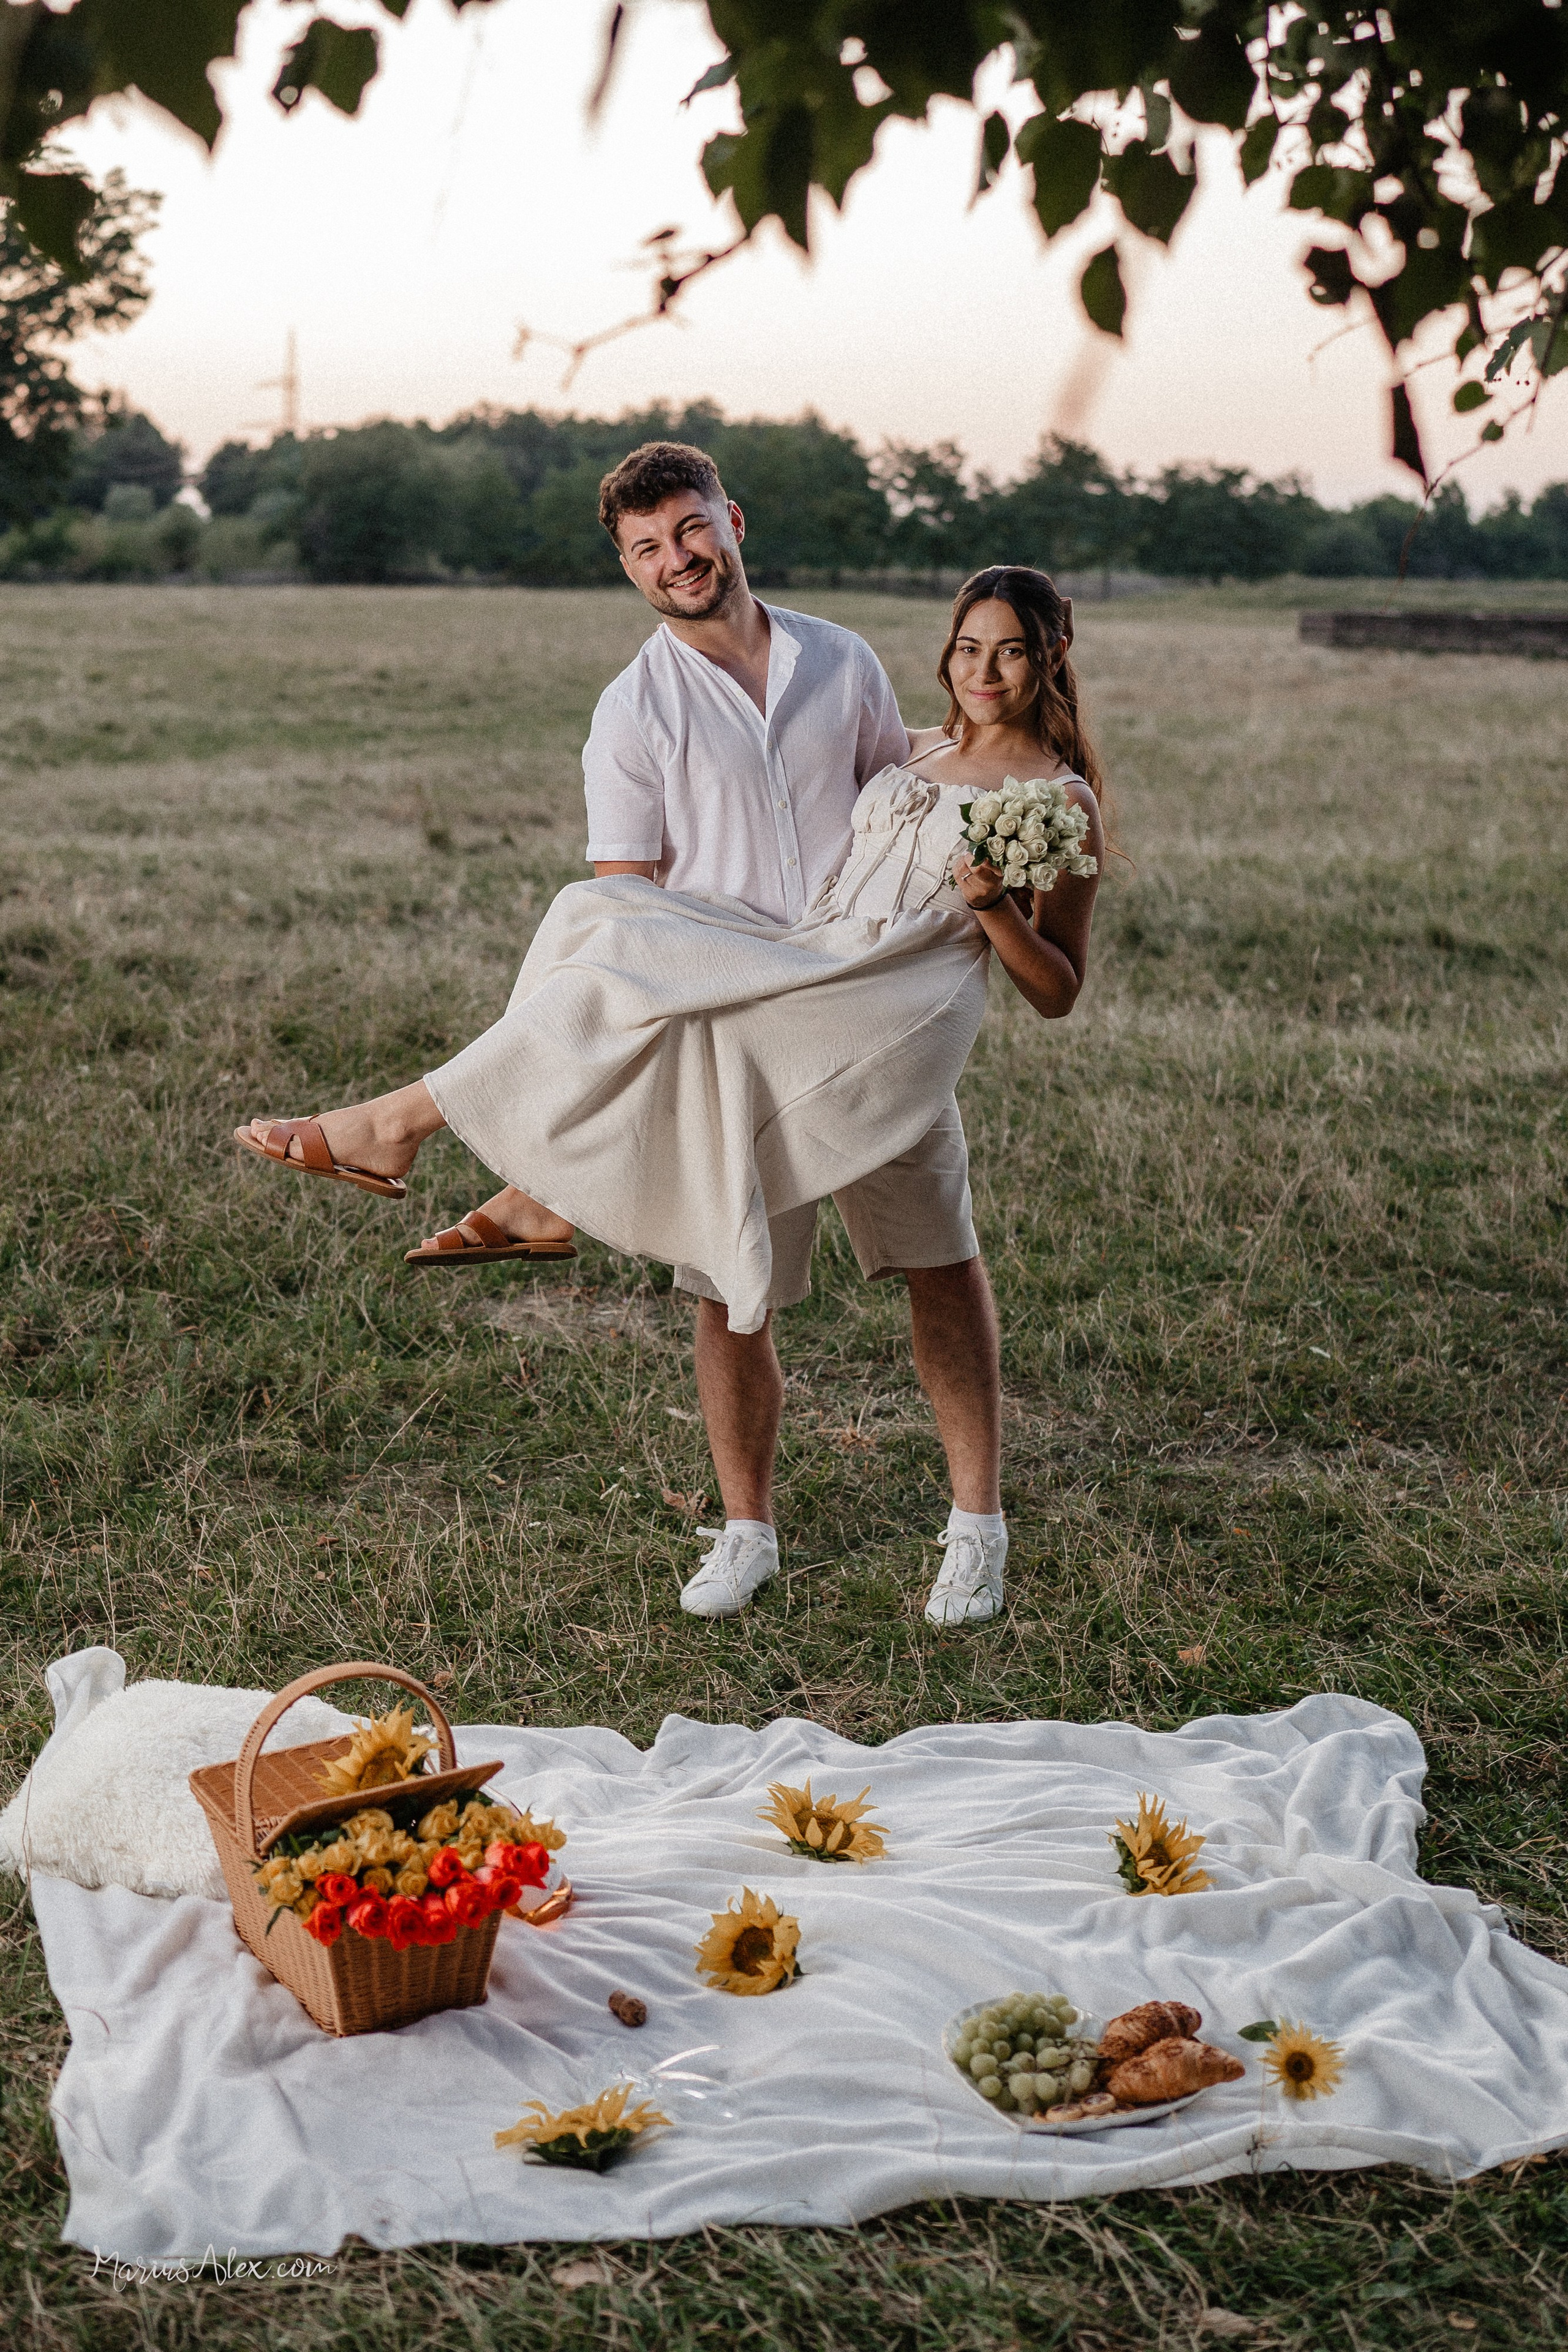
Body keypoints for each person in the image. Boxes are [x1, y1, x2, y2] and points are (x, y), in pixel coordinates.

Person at [236, 443, 1104, 1627]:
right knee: (715, 1252)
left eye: (690, 532)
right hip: (727, 1021)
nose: (675, 560)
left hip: (861, 1005)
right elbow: (637, 899)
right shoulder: (633, 711)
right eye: (646, 548)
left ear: (731, 522)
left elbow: (920, 838)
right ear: (627, 565)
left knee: (940, 1267)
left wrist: (992, 891)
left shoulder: (846, 665)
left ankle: (977, 1531)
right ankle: (746, 1530)